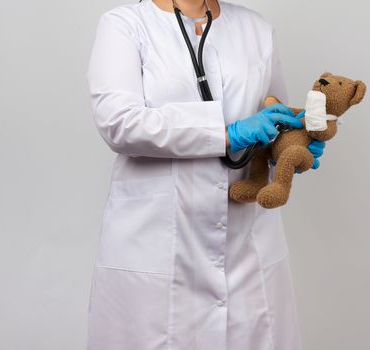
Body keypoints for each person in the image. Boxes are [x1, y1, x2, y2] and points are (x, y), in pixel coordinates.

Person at [85, 0, 325, 349]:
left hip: (247, 248)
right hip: (157, 246)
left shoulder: (256, 29)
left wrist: (291, 144)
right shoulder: (124, 25)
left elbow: (275, 113)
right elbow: (119, 124)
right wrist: (227, 134)